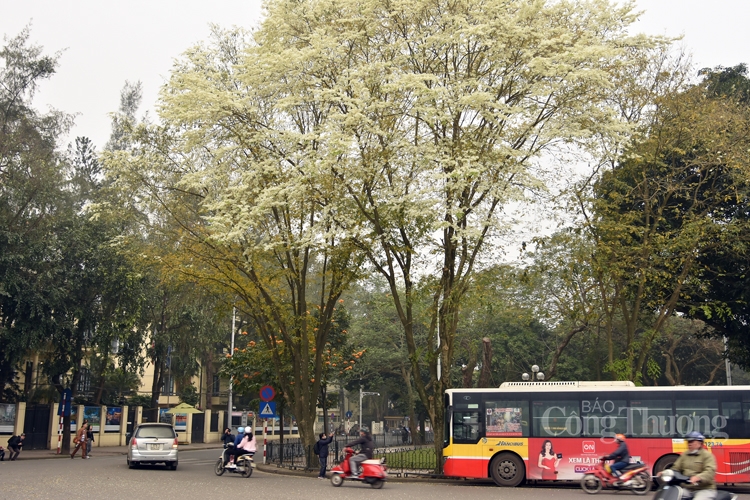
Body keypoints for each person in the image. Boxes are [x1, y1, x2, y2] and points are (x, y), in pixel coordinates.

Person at [662, 431, 717, 500]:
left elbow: (710, 471)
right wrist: (666, 472)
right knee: (670, 496)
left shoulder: (707, 456)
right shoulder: (684, 455)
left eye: (692, 441)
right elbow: (676, 468)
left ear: (700, 443)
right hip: (687, 489)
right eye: (688, 442)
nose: (689, 444)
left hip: (704, 489)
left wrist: (698, 477)